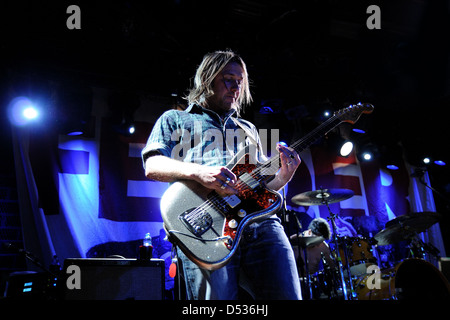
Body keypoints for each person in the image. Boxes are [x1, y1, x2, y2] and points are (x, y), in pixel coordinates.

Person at [141, 50, 302, 300]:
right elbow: (152, 165)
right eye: (228, 78)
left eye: (240, 82)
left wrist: (283, 177)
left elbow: (262, 188)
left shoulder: (247, 128)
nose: (235, 87)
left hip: (260, 225)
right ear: (206, 79)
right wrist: (200, 173)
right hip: (207, 226)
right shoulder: (175, 119)